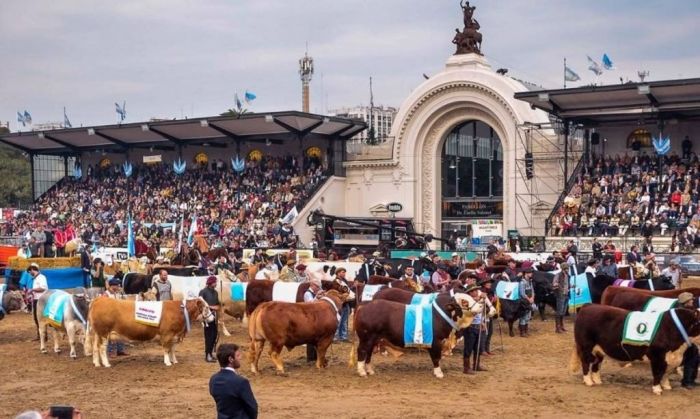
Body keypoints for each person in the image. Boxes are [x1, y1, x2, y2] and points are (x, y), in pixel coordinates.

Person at [209, 343, 258, 419]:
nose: (240, 358)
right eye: (238, 355)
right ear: (230, 359)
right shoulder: (241, 382)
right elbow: (252, 407)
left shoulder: (213, 379)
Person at [461, 283, 489, 374]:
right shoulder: (465, 301)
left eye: (477, 290)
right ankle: (466, 367)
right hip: (470, 327)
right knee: (468, 348)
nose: (477, 292)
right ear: (470, 293)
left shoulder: (479, 300)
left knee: (477, 347)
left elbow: (481, 312)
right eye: (474, 291)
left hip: (478, 325)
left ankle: (476, 365)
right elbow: (469, 310)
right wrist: (479, 299)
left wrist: (482, 321)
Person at [677, 292, 699, 390]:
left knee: (695, 357)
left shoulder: (686, 311)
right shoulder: (683, 313)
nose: (692, 301)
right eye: (690, 300)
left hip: (688, 340)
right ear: (685, 302)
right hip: (683, 341)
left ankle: (690, 380)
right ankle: (687, 381)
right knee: (692, 358)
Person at [105, 277, 128, 356]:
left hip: (118, 317)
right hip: (110, 317)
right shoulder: (106, 294)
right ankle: (110, 351)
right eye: (117, 285)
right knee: (111, 335)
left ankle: (120, 350)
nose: (118, 286)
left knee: (120, 333)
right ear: (112, 286)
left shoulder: (118, 294)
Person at [200, 276, 221, 363]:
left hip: (214, 316)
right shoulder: (203, 292)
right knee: (208, 336)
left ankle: (211, 353)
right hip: (207, 317)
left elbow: (218, 304)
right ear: (210, 282)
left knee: (214, 335)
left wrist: (216, 307)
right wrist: (210, 308)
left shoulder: (215, 292)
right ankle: (207, 354)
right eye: (214, 282)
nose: (216, 284)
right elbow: (200, 303)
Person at [27, 263, 47, 340]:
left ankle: (43, 335)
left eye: (30, 271)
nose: (30, 273)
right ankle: (41, 335)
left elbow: (43, 288)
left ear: (32, 269)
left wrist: (32, 290)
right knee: (36, 318)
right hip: (36, 299)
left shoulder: (41, 277)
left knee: (40, 318)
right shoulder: (36, 278)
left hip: (41, 300)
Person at [303, 278, 322, 361]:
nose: (318, 288)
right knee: (310, 338)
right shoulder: (307, 293)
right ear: (312, 285)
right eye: (317, 286)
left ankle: (315, 356)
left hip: (315, 317)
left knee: (315, 337)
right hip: (309, 317)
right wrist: (317, 297)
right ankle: (310, 357)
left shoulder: (314, 293)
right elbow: (310, 304)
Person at [333, 268, 350, 342]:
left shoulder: (344, 281)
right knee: (338, 320)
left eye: (345, 272)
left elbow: (348, 291)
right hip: (340, 303)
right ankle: (336, 337)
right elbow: (335, 292)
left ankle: (343, 336)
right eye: (343, 272)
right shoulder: (335, 282)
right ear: (338, 273)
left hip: (346, 303)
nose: (344, 274)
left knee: (344, 320)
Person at [518, 267, 535, 337]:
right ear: (526, 274)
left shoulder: (530, 281)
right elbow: (522, 293)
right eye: (530, 273)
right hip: (524, 301)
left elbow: (533, 290)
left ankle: (525, 330)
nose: (531, 274)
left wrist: (533, 297)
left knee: (528, 316)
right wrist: (529, 299)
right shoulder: (522, 282)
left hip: (529, 300)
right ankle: (522, 332)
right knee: (523, 316)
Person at [552, 263, 569, 333]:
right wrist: (558, 285)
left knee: (563, 311)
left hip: (566, 294)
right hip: (560, 295)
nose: (568, 269)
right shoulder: (558, 275)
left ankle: (561, 326)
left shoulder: (567, 275)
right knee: (559, 311)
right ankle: (557, 327)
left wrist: (571, 286)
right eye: (567, 268)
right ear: (564, 268)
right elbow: (554, 284)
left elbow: (566, 284)